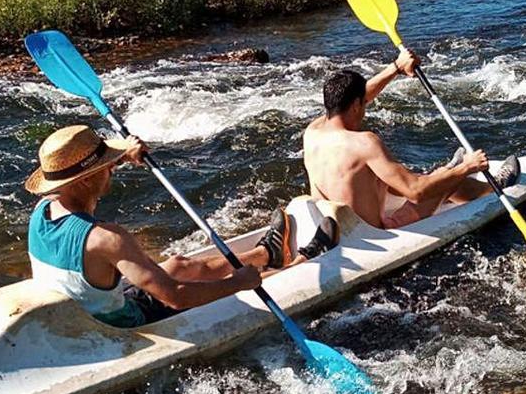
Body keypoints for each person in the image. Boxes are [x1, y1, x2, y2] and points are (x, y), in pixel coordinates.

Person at [25, 125, 337, 327]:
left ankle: (265, 252)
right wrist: (236, 284)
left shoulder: (42, 210)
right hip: (124, 322)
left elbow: (84, 189)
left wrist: (122, 156)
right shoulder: (106, 239)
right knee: (238, 285)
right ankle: (303, 261)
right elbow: (176, 297)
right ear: (89, 177)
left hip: (96, 308)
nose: (113, 170)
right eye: (108, 166)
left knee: (178, 263)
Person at [303, 51, 520, 229]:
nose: (365, 110)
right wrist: (467, 167)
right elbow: (415, 192)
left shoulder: (313, 132)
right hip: (377, 232)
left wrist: (396, 67)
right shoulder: (364, 143)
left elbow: (360, 96)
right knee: (446, 182)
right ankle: (493, 187)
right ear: (356, 106)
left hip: (334, 232)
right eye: (363, 105)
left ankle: (446, 171)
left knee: (386, 178)